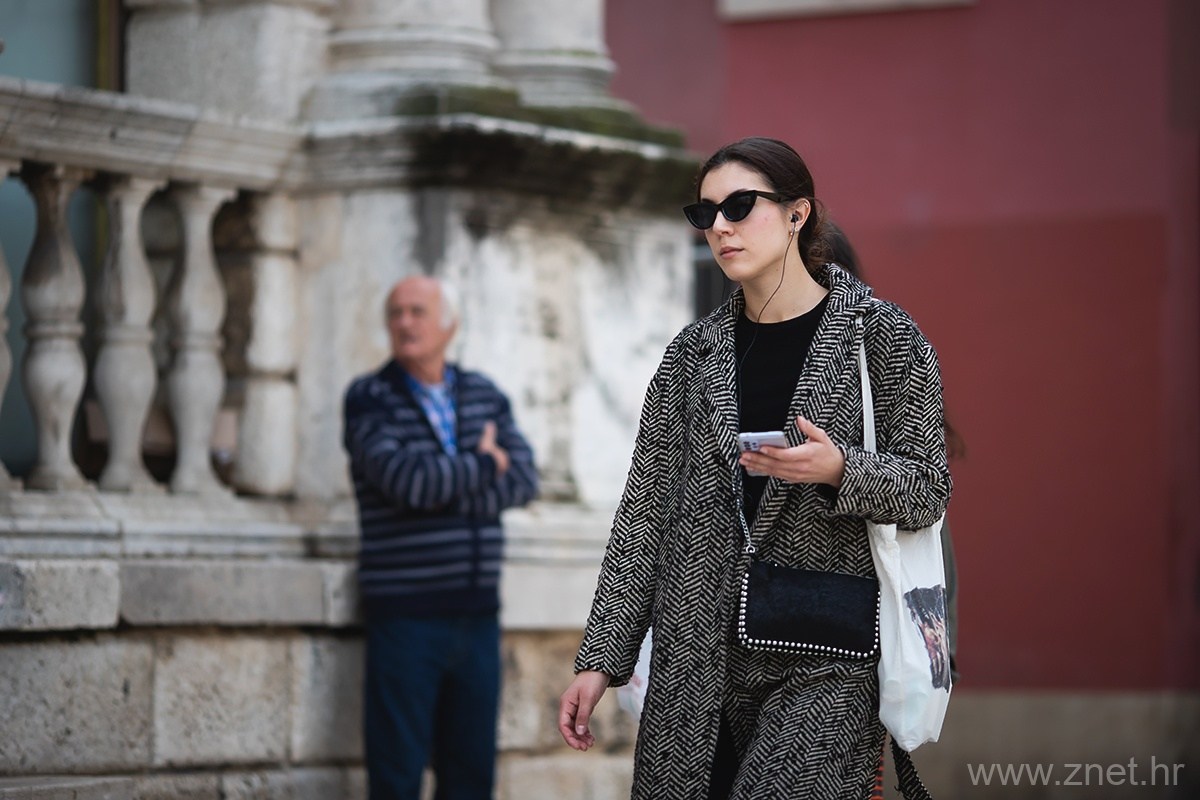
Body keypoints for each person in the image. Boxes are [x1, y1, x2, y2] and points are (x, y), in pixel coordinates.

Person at [557, 137, 952, 799]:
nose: (719, 226)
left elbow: (928, 489)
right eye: (704, 212)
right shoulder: (692, 354)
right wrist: (602, 658)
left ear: (798, 213)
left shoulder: (881, 336)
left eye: (739, 206)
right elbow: (645, 515)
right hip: (695, 655)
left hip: (824, 654)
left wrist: (840, 469)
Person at [343, 275, 539, 800]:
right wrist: (484, 465)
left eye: (418, 311)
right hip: (405, 618)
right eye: (396, 313)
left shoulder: (484, 394)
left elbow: (524, 480)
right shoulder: (370, 398)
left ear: (449, 325)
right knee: (397, 777)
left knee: (470, 778)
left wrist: (445, 486)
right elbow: (407, 481)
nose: (404, 323)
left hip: (477, 618)